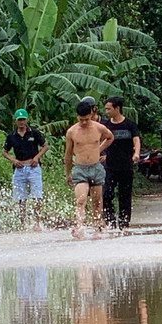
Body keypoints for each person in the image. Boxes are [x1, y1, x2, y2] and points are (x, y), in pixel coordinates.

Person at [63, 97, 114, 239]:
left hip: (95, 168)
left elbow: (110, 137)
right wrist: (68, 173)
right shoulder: (72, 132)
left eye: (87, 119)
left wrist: (99, 149)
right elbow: (68, 154)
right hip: (80, 169)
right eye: (81, 120)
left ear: (91, 114)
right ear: (77, 116)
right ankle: (79, 227)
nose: (84, 122)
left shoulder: (99, 128)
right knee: (81, 200)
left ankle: (97, 227)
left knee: (97, 202)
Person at [100, 96, 140, 231]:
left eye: (109, 109)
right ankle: (110, 221)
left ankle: (124, 223)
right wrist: (99, 153)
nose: (107, 112)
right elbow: (101, 141)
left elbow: (136, 140)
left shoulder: (129, 124)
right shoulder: (106, 125)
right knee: (106, 194)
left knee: (125, 196)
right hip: (110, 166)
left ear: (117, 108)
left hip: (126, 166)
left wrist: (136, 153)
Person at [2, 108, 46, 229]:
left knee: (37, 196)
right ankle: (23, 223)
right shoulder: (11, 136)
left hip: (33, 167)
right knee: (21, 198)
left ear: (27, 120)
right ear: (15, 121)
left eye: (23, 119)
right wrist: (13, 160)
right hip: (19, 168)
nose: (21, 122)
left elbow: (45, 146)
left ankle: (37, 223)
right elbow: (4, 152)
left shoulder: (34, 133)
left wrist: (36, 157)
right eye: (19, 120)